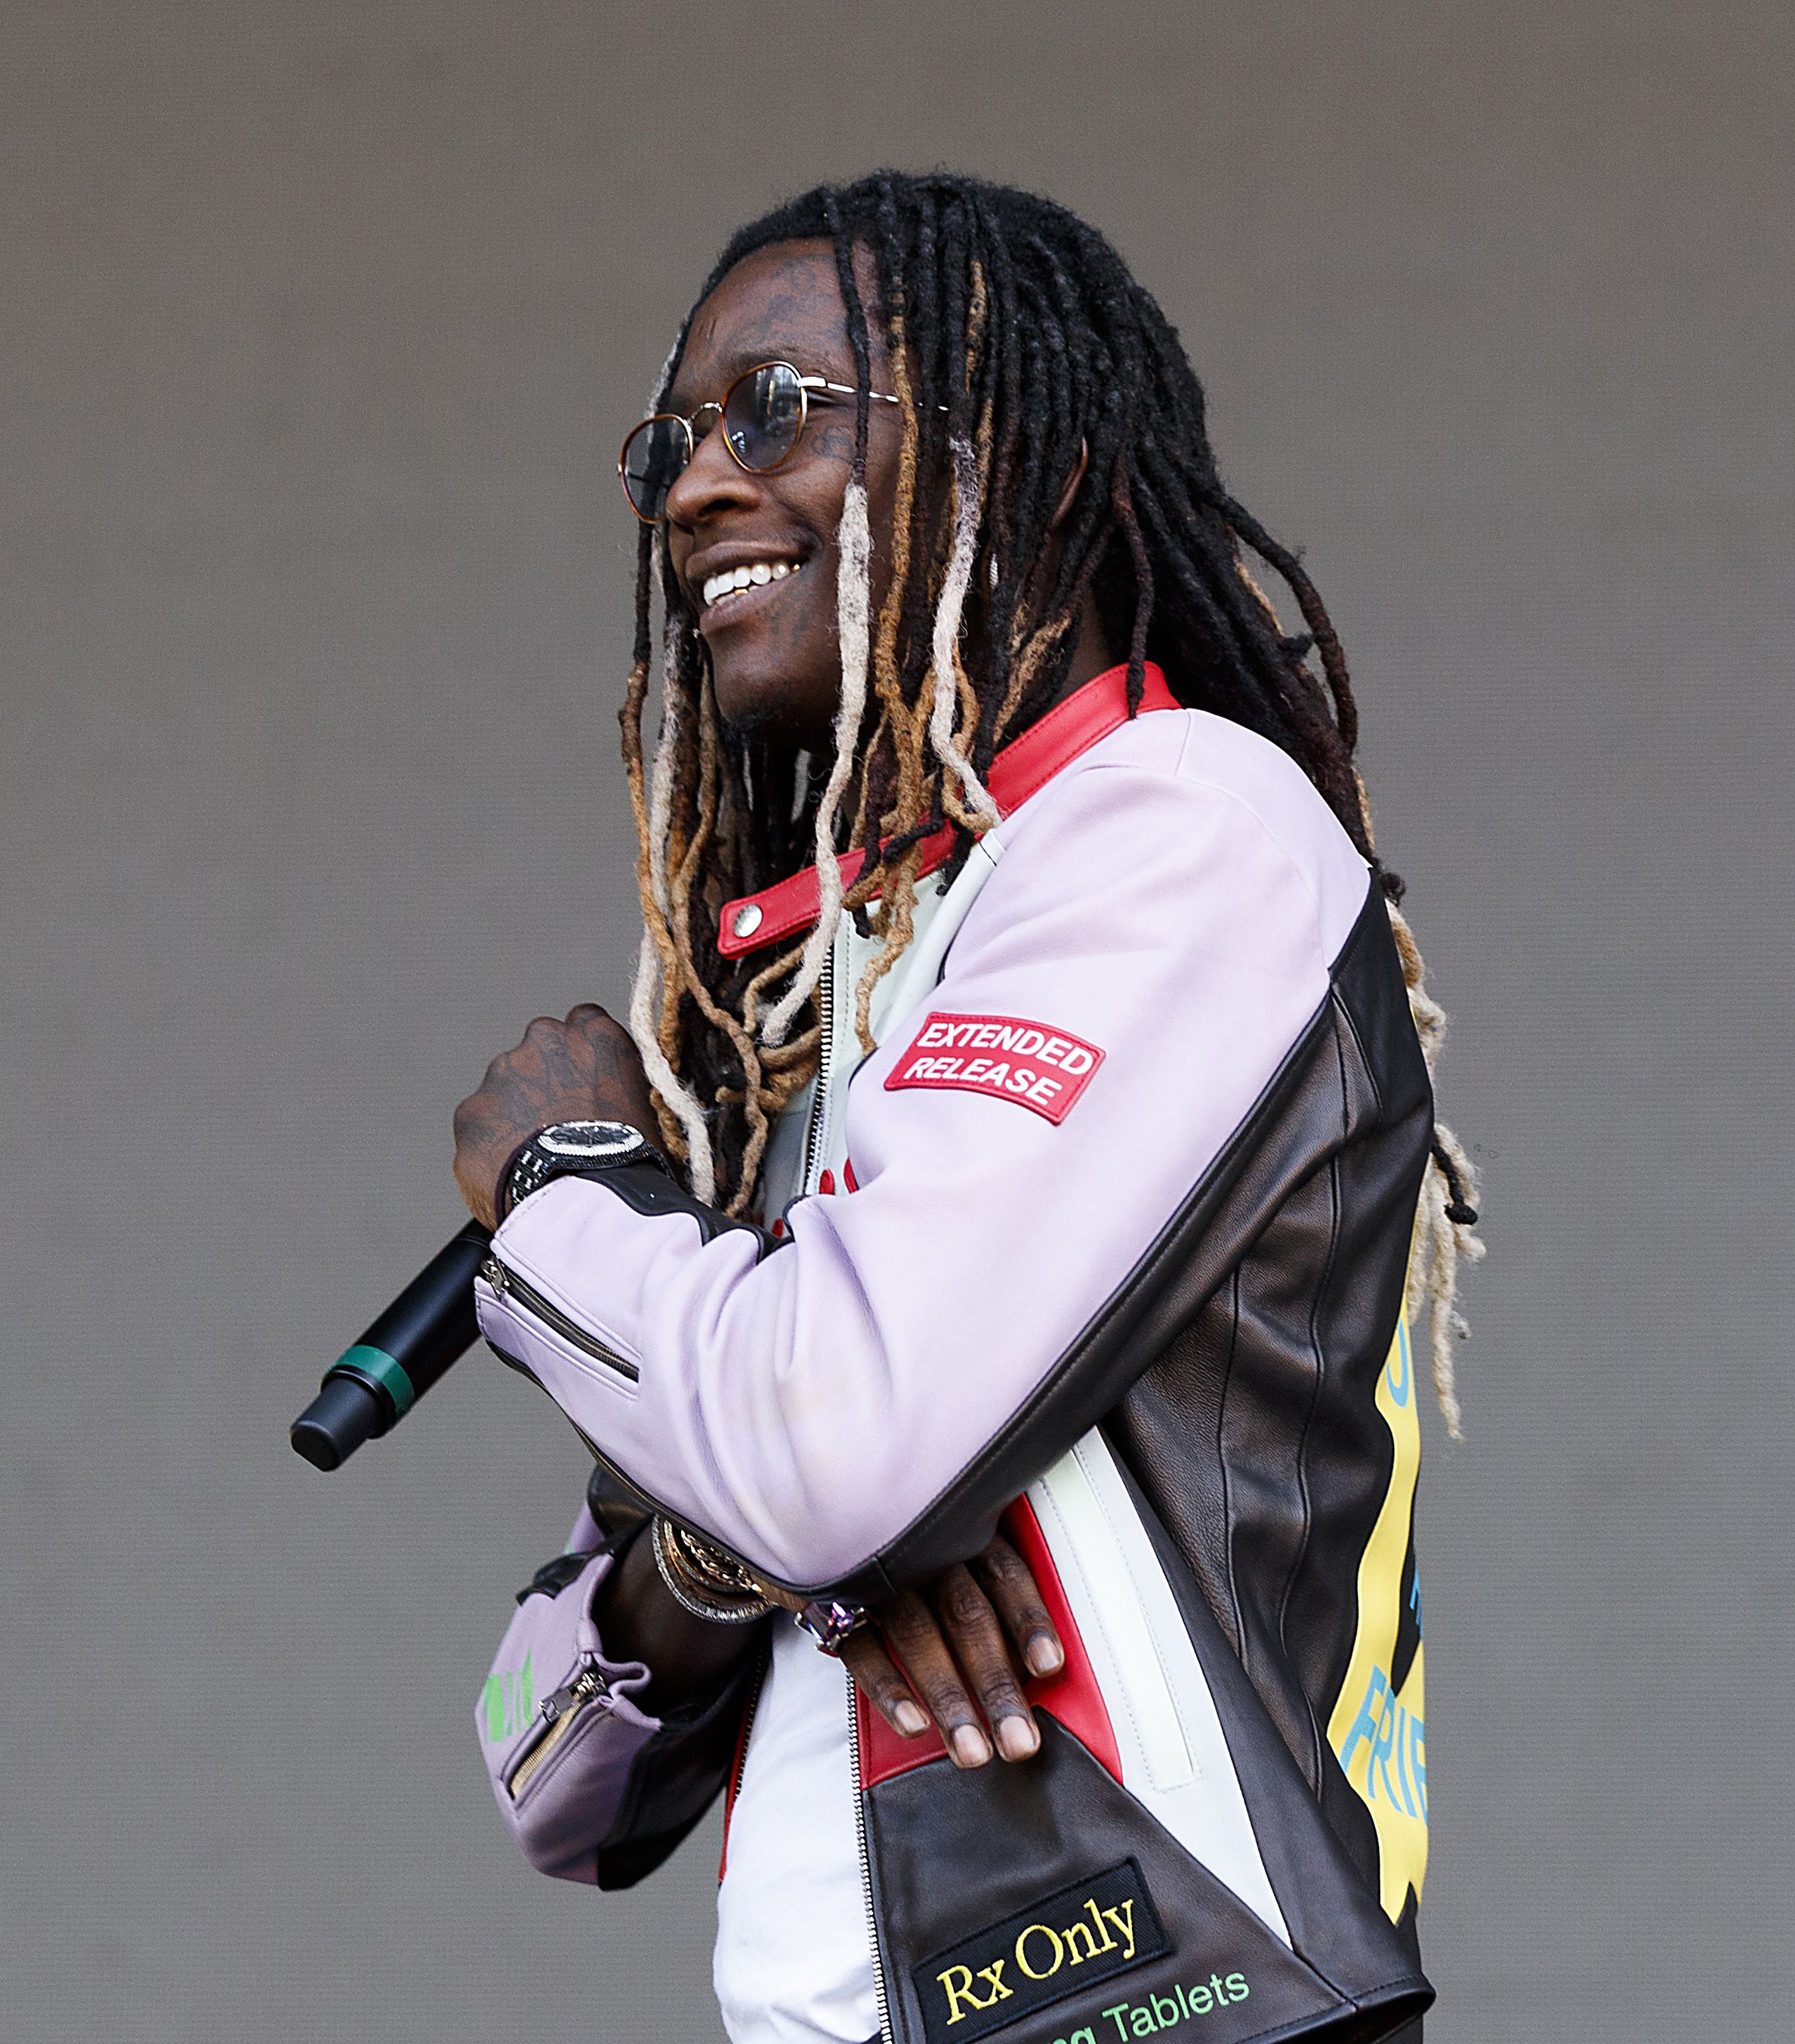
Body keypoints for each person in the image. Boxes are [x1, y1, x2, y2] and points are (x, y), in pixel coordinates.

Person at [452, 174, 1481, 2044]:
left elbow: (831, 1442)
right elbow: (545, 1771)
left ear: (1025, 450)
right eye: (669, 443)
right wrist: (728, 1549)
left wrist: (560, 1191)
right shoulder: (851, 990)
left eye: (777, 411)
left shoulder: (1172, 833)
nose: (695, 487)